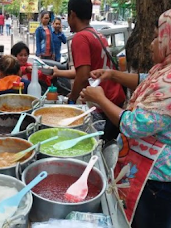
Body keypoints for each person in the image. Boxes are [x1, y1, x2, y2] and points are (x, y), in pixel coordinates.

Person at [80, 9, 171, 228]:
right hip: (142, 170)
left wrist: (100, 99)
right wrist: (111, 74)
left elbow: (134, 125)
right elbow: (144, 80)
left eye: (158, 37)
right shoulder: (163, 70)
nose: (151, 43)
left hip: (155, 182)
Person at [66, 0, 125, 142]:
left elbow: (83, 75)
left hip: (103, 104)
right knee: (109, 143)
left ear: (72, 14)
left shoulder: (80, 37)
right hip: (116, 98)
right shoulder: (97, 34)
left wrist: (72, 99)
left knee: (96, 145)